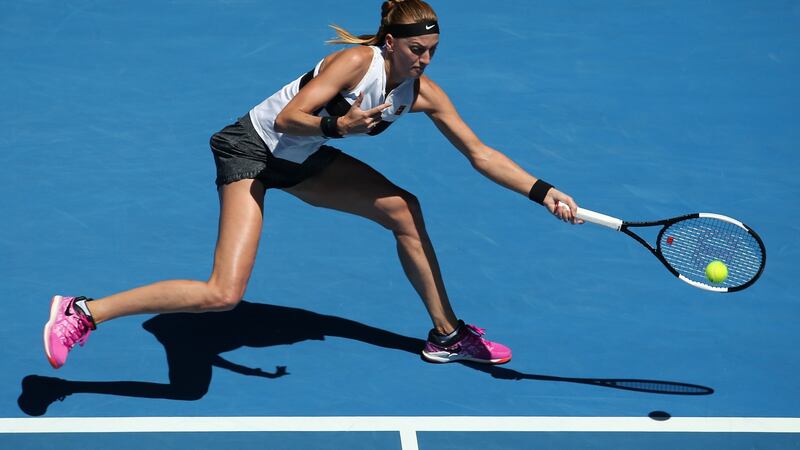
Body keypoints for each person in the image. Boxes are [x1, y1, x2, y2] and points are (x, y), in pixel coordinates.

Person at [43, 0, 580, 371]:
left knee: (404, 210)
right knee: (223, 295)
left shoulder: (420, 92)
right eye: (417, 50)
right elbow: (289, 118)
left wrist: (543, 191)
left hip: (301, 158)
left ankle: (446, 335)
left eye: (433, 50)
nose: (426, 60)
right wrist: (337, 126)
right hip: (251, 149)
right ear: (391, 42)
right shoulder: (353, 63)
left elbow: (480, 153)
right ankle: (83, 312)